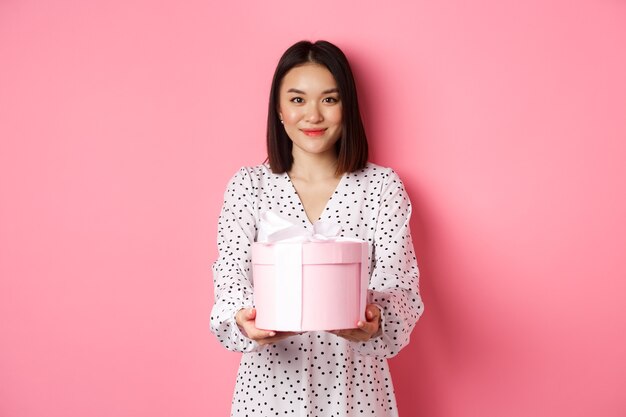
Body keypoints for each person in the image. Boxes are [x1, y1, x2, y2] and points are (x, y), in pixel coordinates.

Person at [210, 40, 424, 416]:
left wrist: (376, 322)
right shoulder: (249, 186)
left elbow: (401, 286)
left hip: (354, 391)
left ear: (347, 107)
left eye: (329, 99)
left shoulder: (381, 187)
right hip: (270, 392)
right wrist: (243, 320)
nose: (313, 115)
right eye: (297, 100)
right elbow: (230, 280)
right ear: (278, 109)